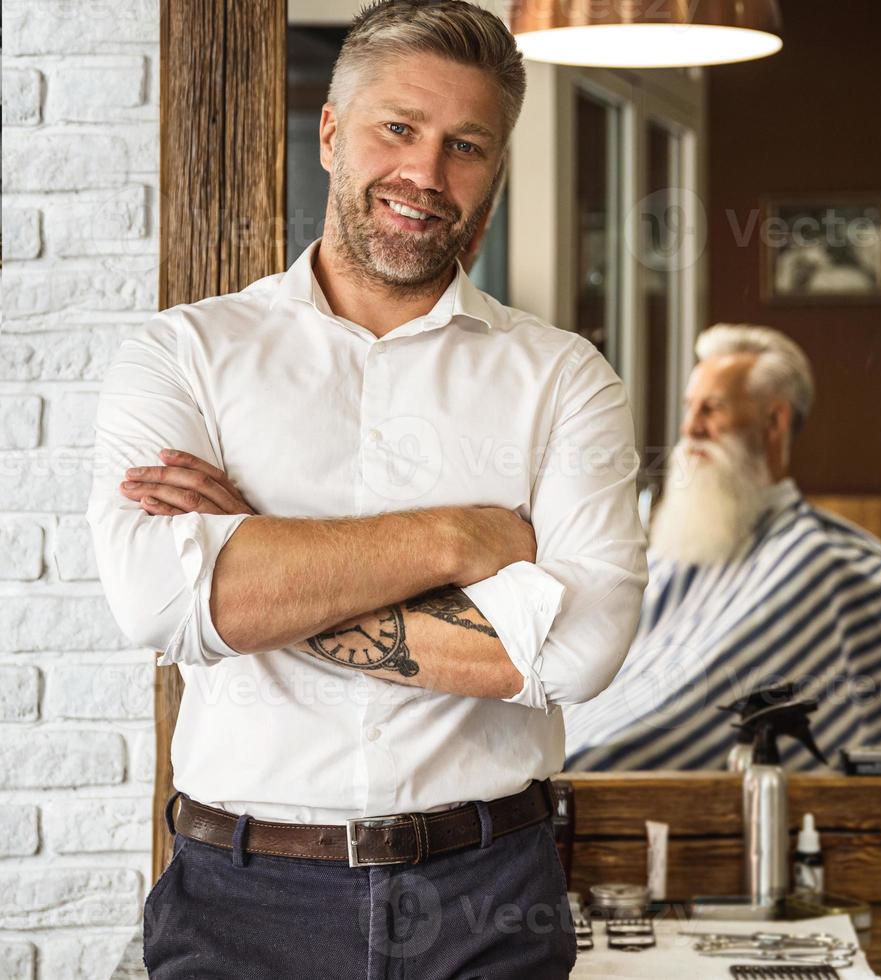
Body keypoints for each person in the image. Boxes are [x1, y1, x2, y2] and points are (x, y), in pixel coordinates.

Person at [84, 3, 646, 976]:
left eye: (465, 145)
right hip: (240, 899)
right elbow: (162, 600)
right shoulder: (187, 354)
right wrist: (460, 539)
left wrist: (258, 559)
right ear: (333, 133)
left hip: (492, 895)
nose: (427, 175)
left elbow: (582, 647)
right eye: (399, 128)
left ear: (497, 172)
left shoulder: (564, 378)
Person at [562, 325, 881, 770]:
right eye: (690, 408)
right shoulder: (690, 543)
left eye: (714, 408)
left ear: (775, 422)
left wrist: (574, 763)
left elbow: (688, 711)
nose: (690, 427)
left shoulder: (819, 562)